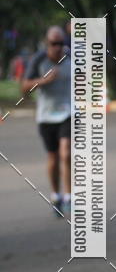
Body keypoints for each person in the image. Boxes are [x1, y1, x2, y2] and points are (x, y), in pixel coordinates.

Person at [21, 26, 71, 217]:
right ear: (47, 43)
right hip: (46, 116)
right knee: (53, 157)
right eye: (53, 43)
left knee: (66, 152)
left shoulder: (71, 57)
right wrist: (43, 81)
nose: (58, 47)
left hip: (68, 112)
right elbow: (23, 89)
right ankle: (55, 195)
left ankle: (69, 197)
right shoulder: (38, 60)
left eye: (61, 43)